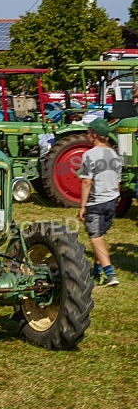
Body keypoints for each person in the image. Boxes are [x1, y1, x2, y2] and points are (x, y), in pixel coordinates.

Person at [79, 117, 121, 287]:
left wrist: (82, 206)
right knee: (100, 237)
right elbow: (118, 182)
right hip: (112, 201)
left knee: (95, 238)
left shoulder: (89, 155)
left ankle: (110, 273)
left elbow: (87, 182)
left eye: (88, 132)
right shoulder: (114, 154)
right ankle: (97, 270)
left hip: (97, 202)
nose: (87, 135)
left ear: (94, 135)